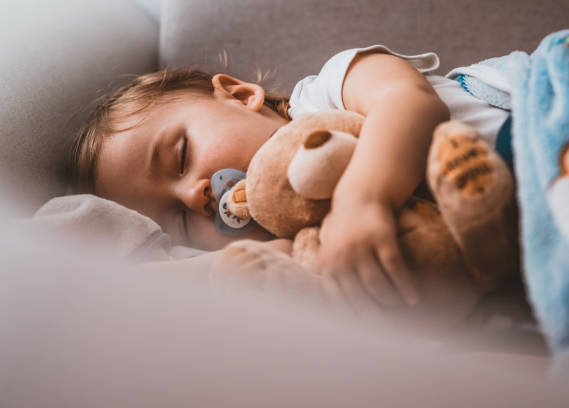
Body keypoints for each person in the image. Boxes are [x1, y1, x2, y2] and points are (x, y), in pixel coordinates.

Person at [70, 45, 513, 311]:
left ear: (241, 96)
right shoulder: (305, 246)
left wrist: (364, 198)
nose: (193, 196)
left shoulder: (326, 93)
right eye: (178, 219)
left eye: (182, 156)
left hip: (528, 131)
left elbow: (409, 102)